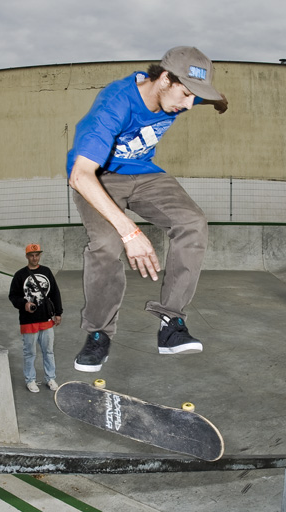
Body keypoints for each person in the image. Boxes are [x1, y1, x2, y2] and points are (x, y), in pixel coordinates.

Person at [66, 46, 229, 372]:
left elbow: (203, 95)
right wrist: (130, 231)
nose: (186, 106)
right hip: (98, 179)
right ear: (164, 79)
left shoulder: (180, 92)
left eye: (193, 98)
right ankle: (98, 333)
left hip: (143, 173)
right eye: (185, 95)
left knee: (193, 221)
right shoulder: (115, 104)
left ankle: (171, 321)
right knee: (106, 245)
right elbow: (79, 176)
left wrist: (218, 101)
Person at [8, 243, 62, 393]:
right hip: (28, 321)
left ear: (39, 255)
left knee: (48, 351)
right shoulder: (20, 275)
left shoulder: (46, 271)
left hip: (46, 319)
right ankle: (30, 380)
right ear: (27, 256)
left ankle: (50, 378)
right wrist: (24, 304)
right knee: (30, 353)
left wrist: (58, 313)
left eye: (37, 255)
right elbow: (13, 296)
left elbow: (55, 293)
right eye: (31, 255)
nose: (34, 257)